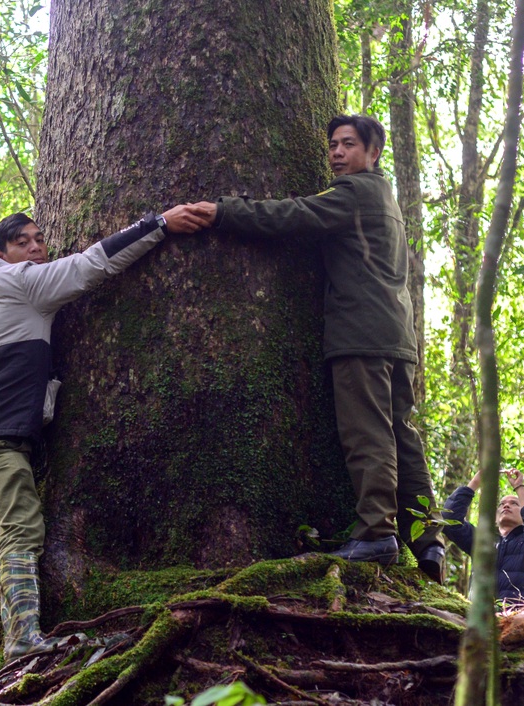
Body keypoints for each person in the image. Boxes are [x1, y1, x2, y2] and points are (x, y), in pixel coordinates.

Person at [0, 205, 207, 661]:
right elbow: (93, 263)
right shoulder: (17, 279)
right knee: (21, 528)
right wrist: (159, 224)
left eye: (39, 239)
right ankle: (21, 637)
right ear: (2, 254)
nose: (37, 247)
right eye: (24, 241)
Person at [188, 115, 446, 581]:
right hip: (395, 336)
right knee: (401, 436)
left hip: (361, 334)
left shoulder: (354, 193)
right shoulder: (385, 197)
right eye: (333, 144)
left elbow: (292, 215)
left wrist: (223, 211)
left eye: (348, 144)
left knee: (368, 434)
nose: (336, 153)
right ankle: (427, 541)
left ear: (373, 153)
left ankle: (375, 534)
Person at [442, 468, 524, 605]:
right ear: (496, 517)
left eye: (514, 503)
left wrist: (519, 487)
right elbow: (449, 519)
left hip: (519, 616)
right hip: (478, 618)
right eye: (501, 504)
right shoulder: (482, 541)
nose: (506, 505)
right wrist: (478, 479)